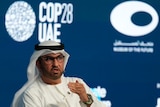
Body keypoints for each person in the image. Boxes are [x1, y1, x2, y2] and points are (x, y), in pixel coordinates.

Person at [11, 40, 106, 107]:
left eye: (59, 58)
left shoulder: (77, 82)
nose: (55, 64)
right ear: (38, 63)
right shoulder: (32, 93)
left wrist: (86, 99)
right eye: (48, 59)